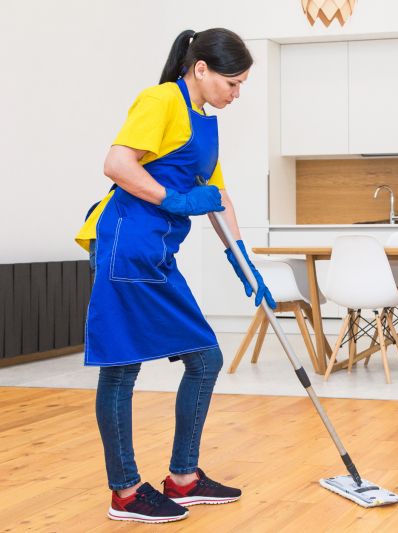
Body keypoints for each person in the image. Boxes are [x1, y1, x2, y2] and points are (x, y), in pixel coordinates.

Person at [75, 28, 275, 524]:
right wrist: (175, 200)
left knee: (205, 359)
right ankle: (124, 491)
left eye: (242, 84)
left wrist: (241, 255)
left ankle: (183, 479)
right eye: (233, 82)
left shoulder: (204, 122)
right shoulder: (161, 99)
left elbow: (218, 194)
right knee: (121, 368)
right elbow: (117, 163)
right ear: (201, 68)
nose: (237, 93)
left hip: (156, 253)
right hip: (125, 246)